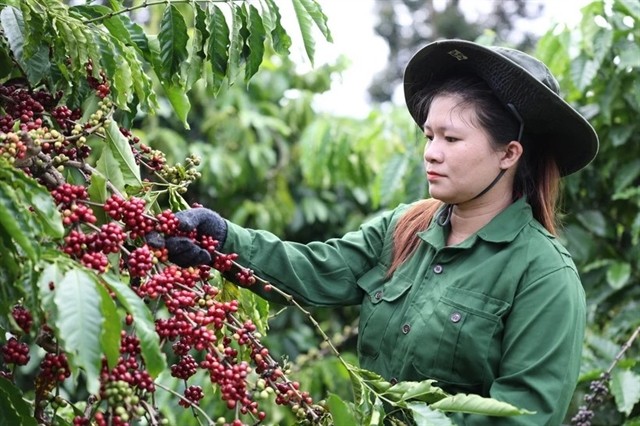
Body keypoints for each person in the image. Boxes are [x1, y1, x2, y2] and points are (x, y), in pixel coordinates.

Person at [151, 39, 599, 425]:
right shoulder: (404, 227)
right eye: (429, 137)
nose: (432, 154)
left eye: (452, 139)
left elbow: (525, 416)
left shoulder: (543, 276)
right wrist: (223, 239)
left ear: (509, 154)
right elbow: (315, 270)